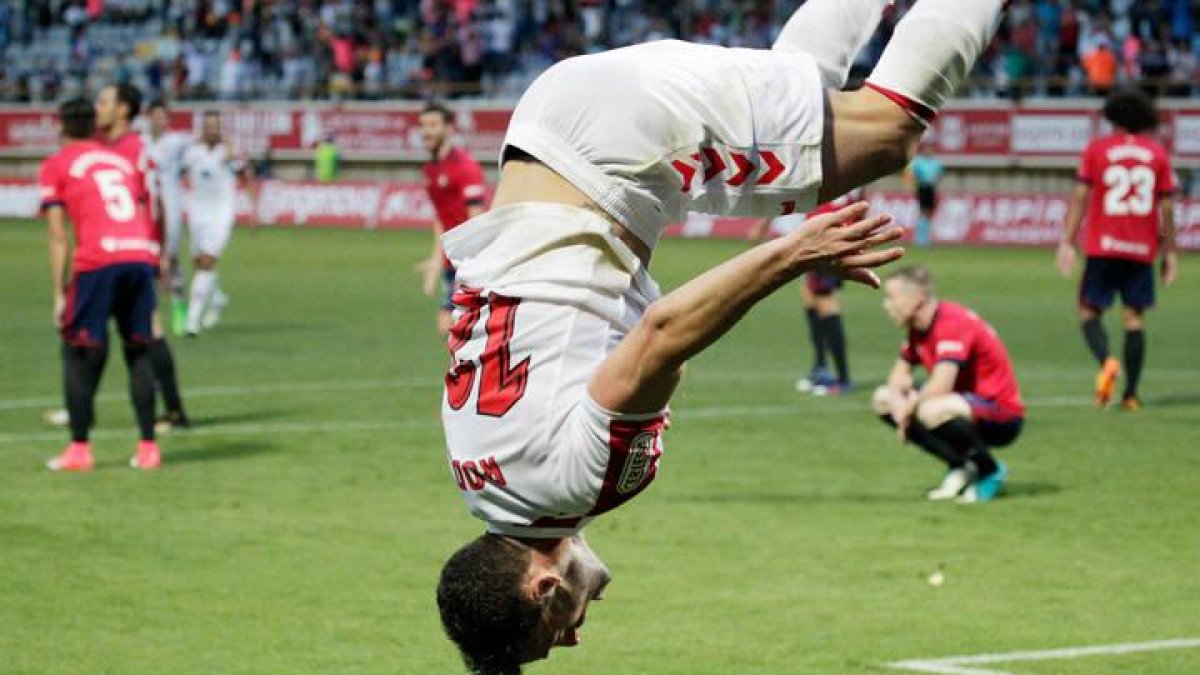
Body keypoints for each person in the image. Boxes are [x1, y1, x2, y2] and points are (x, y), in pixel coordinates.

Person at [435, 0, 1005, 671]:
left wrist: (795, 255)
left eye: (553, 635)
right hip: (552, 130)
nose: (575, 635)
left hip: (617, 152)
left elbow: (664, 333)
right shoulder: (476, 477)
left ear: (544, 587)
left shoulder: (577, 487)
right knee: (794, 101)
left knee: (886, 132)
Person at [40, 98, 163, 471]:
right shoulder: (119, 161)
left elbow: (59, 237)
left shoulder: (56, 165)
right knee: (139, 349)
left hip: (98, 261)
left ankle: (79, 449)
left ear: (60, 127)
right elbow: (142, 208)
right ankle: (148, 448)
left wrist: (59, 292)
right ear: (95, 126)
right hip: (138, 255)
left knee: (77, 350)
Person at [1056, 87, 1179, 411]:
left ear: (1113, 117)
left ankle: (1107, 360)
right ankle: (1132, 395)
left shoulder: (1097, 150)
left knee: (1088, 311)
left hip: (1102, 247)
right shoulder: (1157, 154)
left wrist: (1067, 242)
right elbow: (1166, 209)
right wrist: (1169, 251)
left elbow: (1081, 198)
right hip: (1141, 249)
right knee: (1134, 319)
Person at [872, 265, 1024, 503]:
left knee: (931, 409)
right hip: (963, 404)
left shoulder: (951, 323)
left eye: (892, 298)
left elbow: (941, 386)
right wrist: (898, 403)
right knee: (883, 400)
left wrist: (908, 409)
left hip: (1001, 412)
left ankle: (990, 470)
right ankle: (962, 465)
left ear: (917, 299)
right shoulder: (918, 327)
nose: (887, 305)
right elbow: (898, 376)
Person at [95, 83, 191, 431]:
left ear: (123, 109)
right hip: (116, 251)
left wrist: (158, 253)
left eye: (104, 101)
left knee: (145, 329)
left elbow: (154, 203)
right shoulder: (116, 147)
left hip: (133, 251)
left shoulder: (134, 151)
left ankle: (173, 411)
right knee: (131, 329)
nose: (98, 107)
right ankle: (80, 406)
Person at [748, 187, 864, 395]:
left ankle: (843, 378)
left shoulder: (822, 163)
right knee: (810, 296)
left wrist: (762, 225)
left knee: (825, 300)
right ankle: (820, 367)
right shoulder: (854, 168)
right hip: (830, 233)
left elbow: (785, 189)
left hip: (827, 234)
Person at [415, 101, 488, 335]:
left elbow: (477, 221)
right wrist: (436, 260)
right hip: (452, 261)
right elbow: (441, 218)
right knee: (449, 330)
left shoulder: (465, 167)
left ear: (449, 129)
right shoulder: (430, 170)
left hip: (469, 261)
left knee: (455, 330)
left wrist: (473, 268)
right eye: (424, 125)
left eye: (433, 125)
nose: (427, 131)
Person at [181, 110, 250, 337]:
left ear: (220, 128)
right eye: (208, 125)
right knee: (199, 263)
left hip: (221, 213)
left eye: (216, 126)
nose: (212, 130)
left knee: (207, 262)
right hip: (197, 211)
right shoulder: (192, 151)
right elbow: (178, 172)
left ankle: (192, 321)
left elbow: (245, 175)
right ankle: (217, 298)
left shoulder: (228, 152)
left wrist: (253, 208)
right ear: (203, 127)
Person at [144, 99, 194, 336]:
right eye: (156, 116)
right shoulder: (139, 141)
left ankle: (178, 306)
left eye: (164, 117)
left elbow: (203, 140)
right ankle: (150, 313)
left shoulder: (176, 141)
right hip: (145, 207)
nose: (160, 121)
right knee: (145, 260)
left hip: (171, 206)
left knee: (170, 258)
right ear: (148, 117)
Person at [906, 149, 943, 247]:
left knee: (929, 212)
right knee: (922, 211)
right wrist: (917, 182)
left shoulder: (935, 163)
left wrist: (935, 181)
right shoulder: (918, 162)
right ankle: (920, 238)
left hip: (930, 188)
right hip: (922, 188)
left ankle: (926, 238)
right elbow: (912, 175)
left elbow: (939, 175)